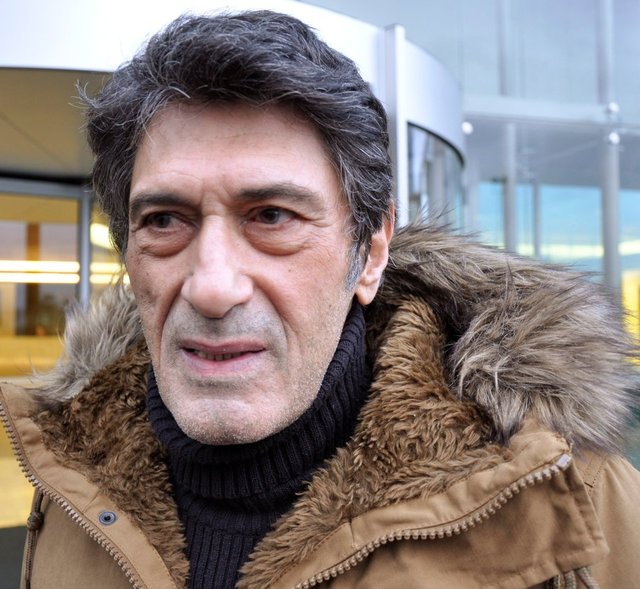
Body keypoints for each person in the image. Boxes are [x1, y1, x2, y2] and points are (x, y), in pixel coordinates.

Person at [1, 10, 639, 589]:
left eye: (272, 216)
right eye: (165, 221)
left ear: (371, 253)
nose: (213, 286)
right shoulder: (71, 483)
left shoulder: (569, 502)